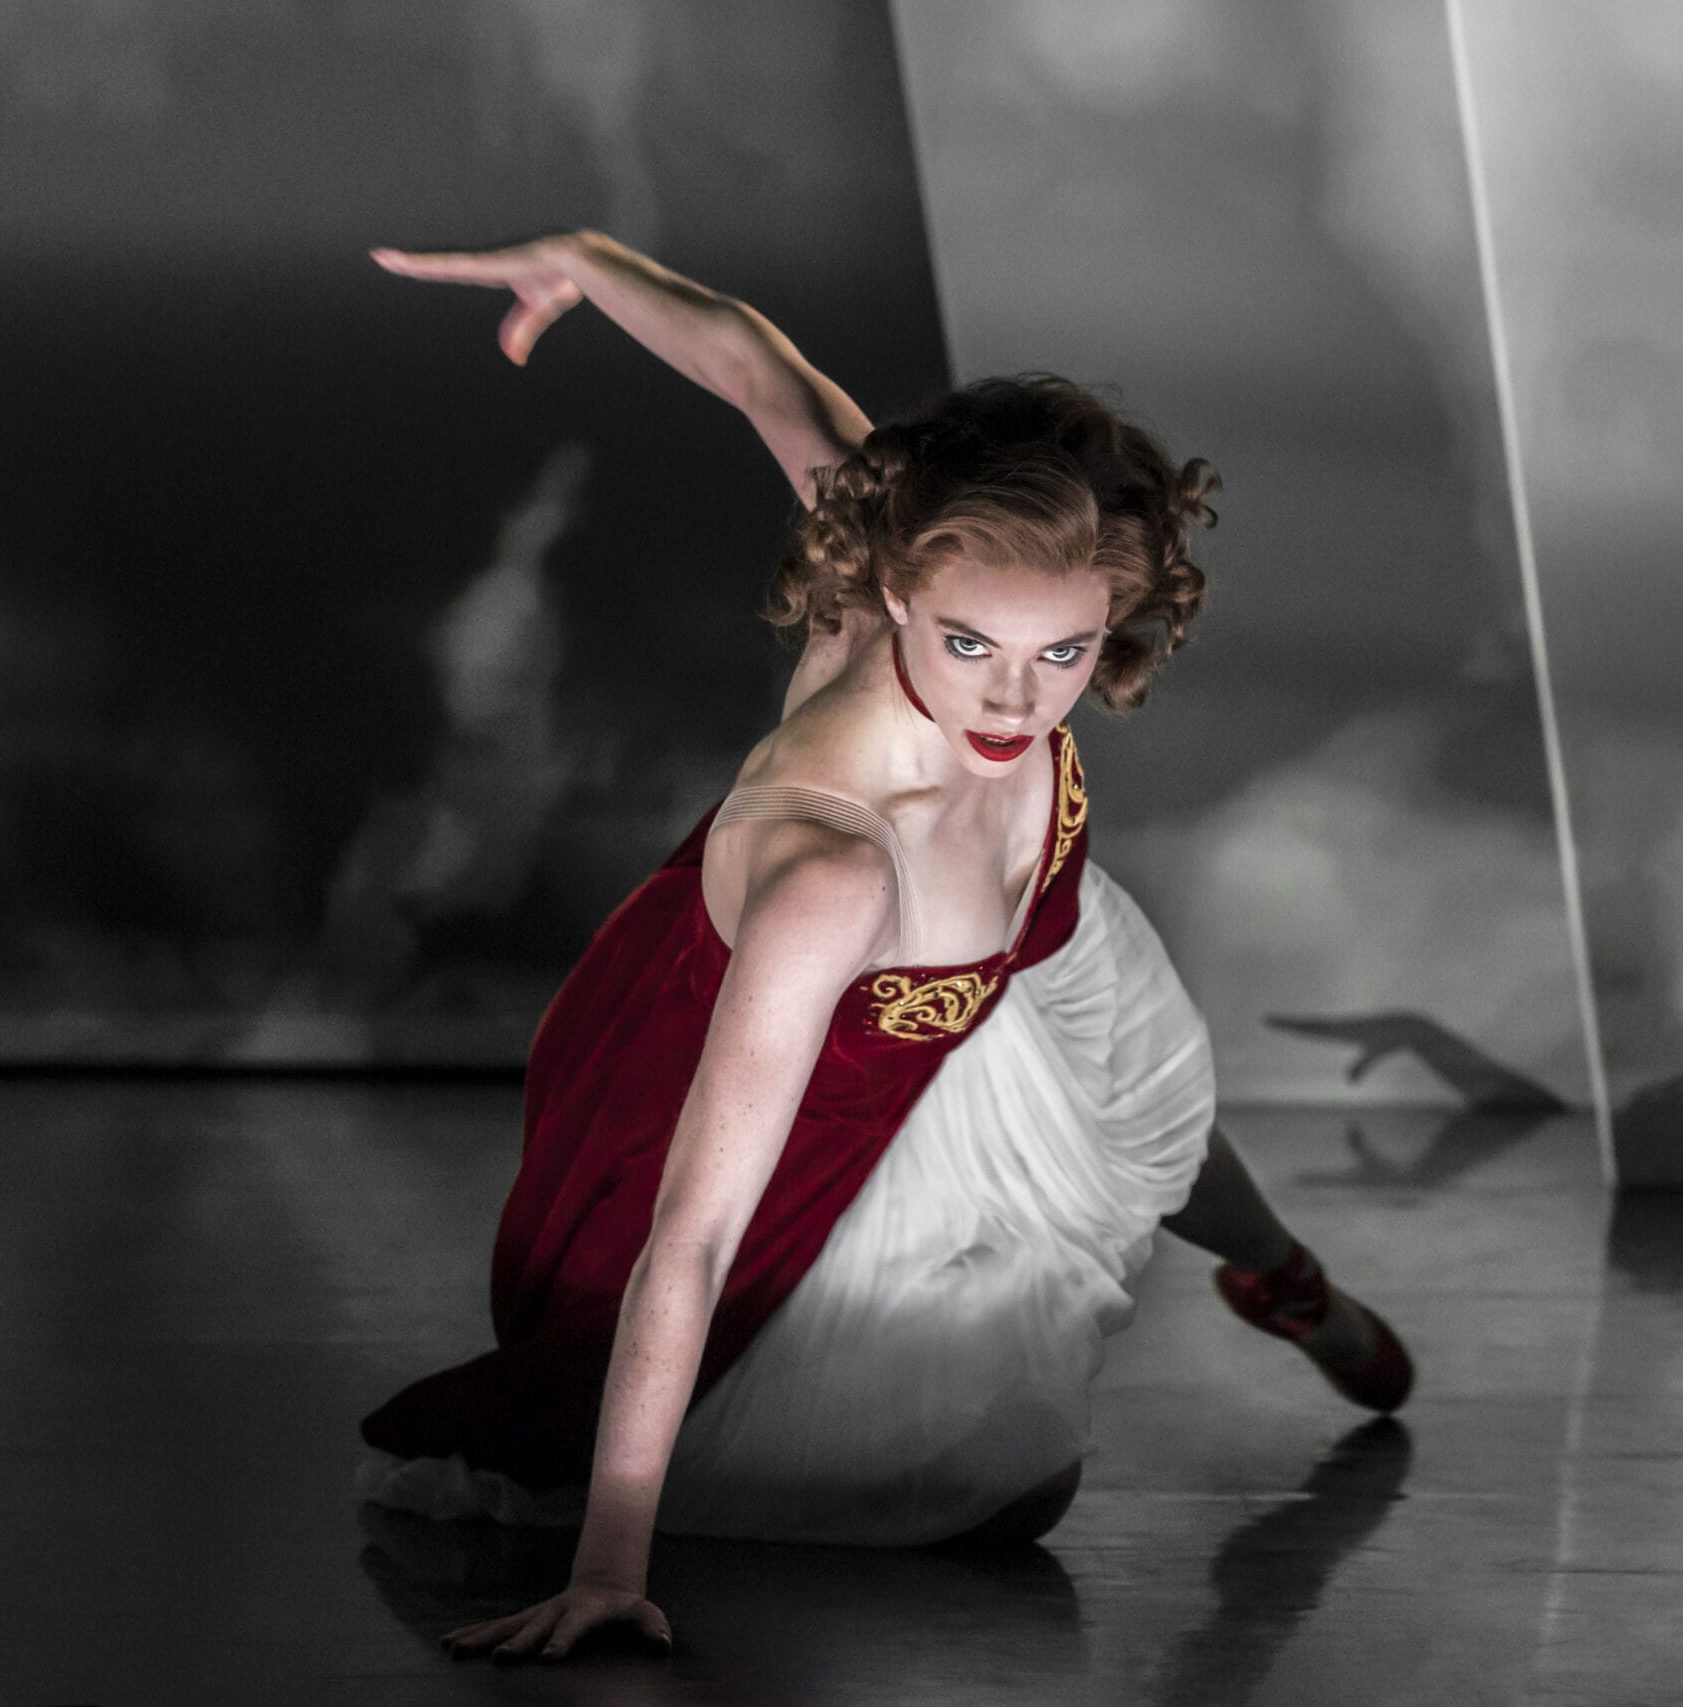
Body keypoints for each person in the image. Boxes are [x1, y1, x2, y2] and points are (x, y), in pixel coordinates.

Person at [352, 230, 1413, 1664]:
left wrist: (590, 266)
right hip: (853, 1048)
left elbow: (756, 365)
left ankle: (1280, 1274)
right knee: (1002, 1492)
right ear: (898, 591)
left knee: (1147, 1114)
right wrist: (614, 1558)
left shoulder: (958, 554)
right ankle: (1274, 1274)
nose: (1019, 704)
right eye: (972, 645)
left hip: (1033, 915)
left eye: (1067, 654)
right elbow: (699, 1230)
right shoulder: (827, 866)